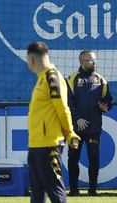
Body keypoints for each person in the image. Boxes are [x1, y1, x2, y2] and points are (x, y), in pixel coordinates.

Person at [26, 41, 80, 203]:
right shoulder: (42, 78)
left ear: (31, 60)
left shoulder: (51, 77)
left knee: (54, 188)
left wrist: (70, 134)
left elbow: (63, 108)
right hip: (35, 144)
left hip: (49, 144)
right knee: (37, 191)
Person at [67, 50, 113, 196]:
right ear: (82, 62)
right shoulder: (72, 79)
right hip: (75, 128)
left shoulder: (101, 79)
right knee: (73, 158)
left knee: (94, 157)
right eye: (91, 60)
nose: (94, 63)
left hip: (94, 127)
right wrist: (78, 119)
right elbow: (68, 102)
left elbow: (108, 99)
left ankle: (92, 190)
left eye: (95, 60)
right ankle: (74, 190)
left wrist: (105, 106)